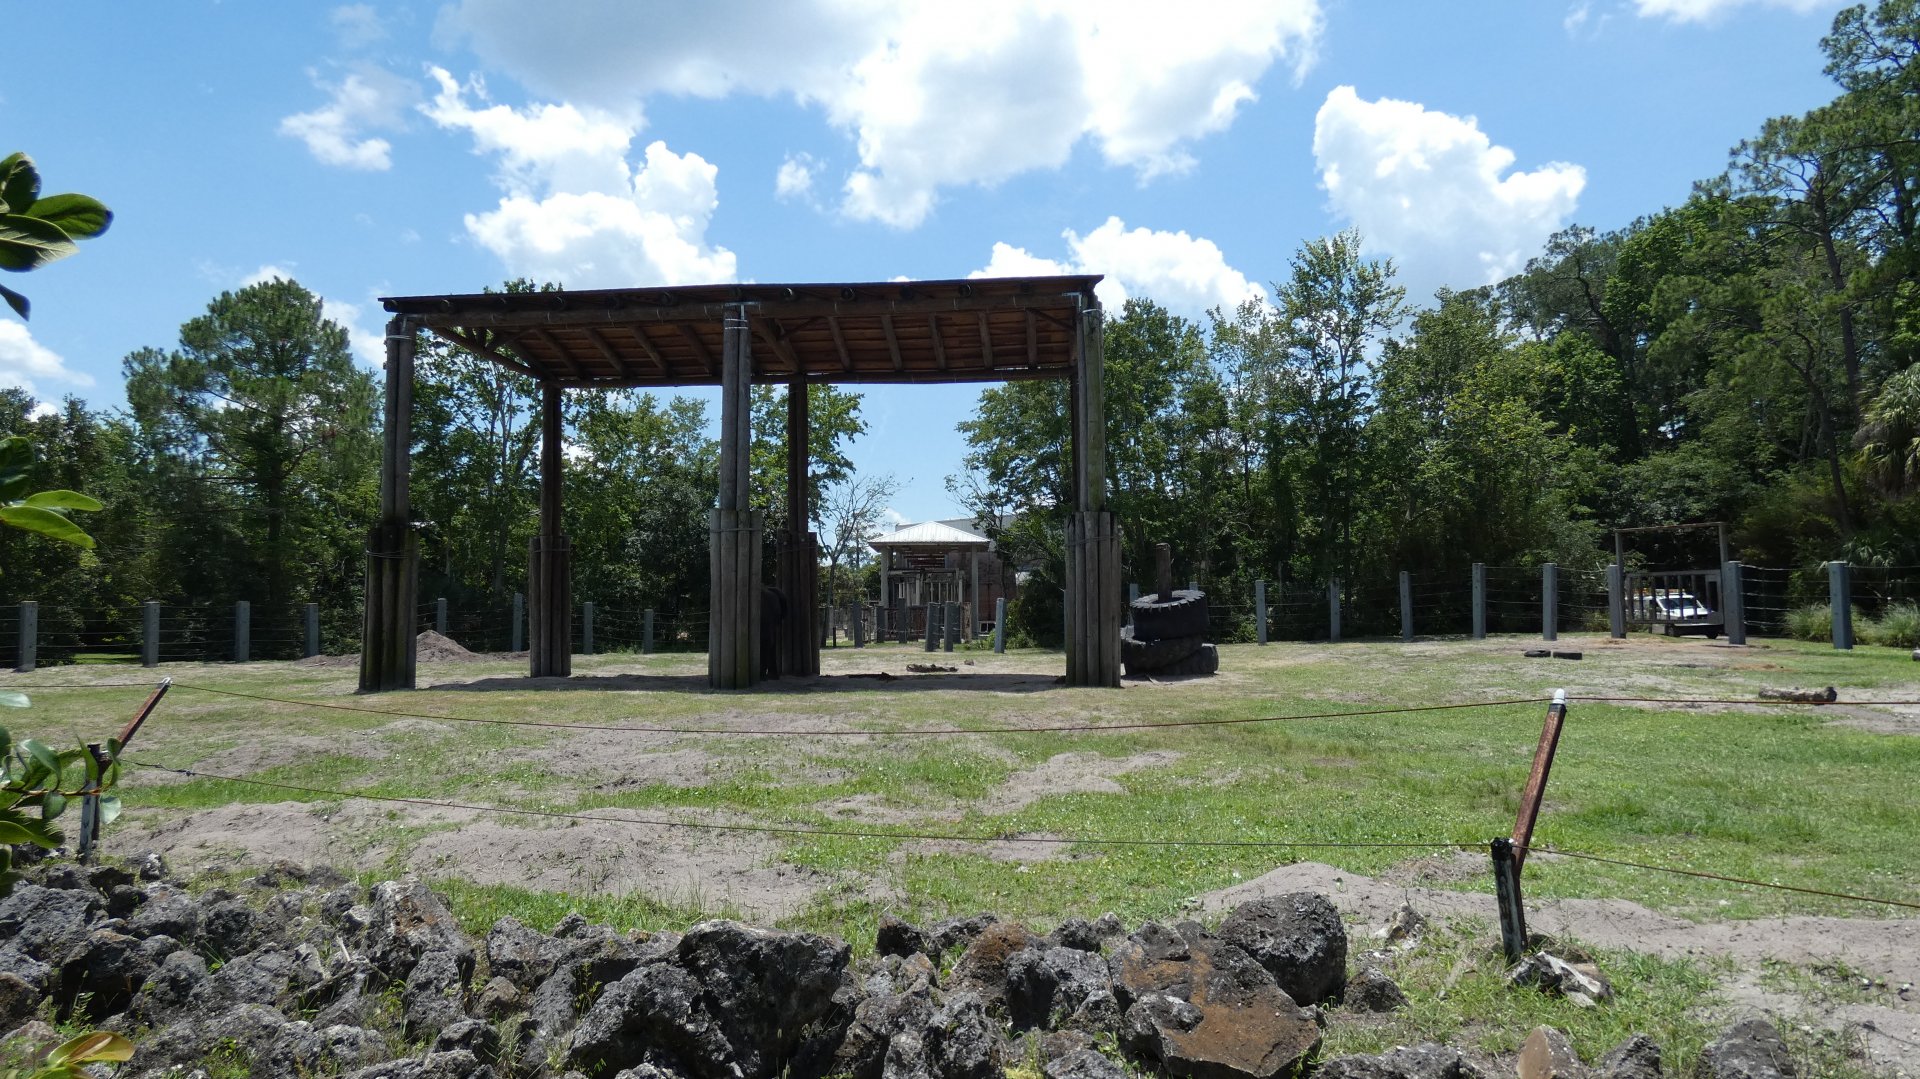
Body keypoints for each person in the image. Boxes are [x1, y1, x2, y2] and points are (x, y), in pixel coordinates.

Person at [760, 585, 788, 679]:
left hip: (768, 614)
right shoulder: (772, 596)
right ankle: (771, 671)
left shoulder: (765, 596)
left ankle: (762, 672)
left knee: (765, 641)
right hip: (773, 610)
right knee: (769, 642)